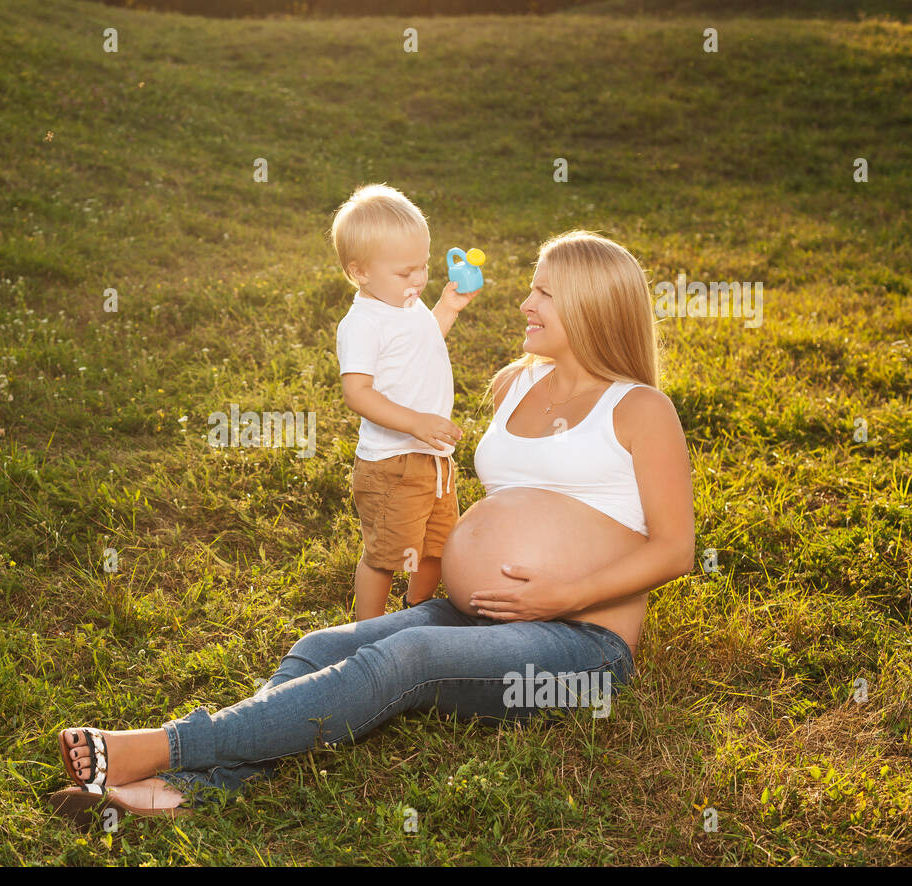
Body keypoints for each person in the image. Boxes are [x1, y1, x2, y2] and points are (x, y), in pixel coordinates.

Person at [49, 228, 695, 823]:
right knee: (321, 646)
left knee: (405, 659)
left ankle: (162, 750)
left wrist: (562, 595)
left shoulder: (641, 408)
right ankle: (200, 791)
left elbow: (676, 550)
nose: (526, 302)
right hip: (484, 615)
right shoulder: (513, 386)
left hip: (583, 647)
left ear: (590, 305)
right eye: (532, 286)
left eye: (544, 292)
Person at [331, 183, 480, 619]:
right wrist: (415, 422)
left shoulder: (408, 307)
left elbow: (422, 346)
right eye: (404, 272)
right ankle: (368, 630)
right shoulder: (362, 324)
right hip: (393, 463)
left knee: (437, 546)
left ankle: (416, 608)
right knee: (386, 555)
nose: (418, 280)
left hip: (433, 458)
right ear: (360, 272)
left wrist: (446, 309)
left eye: (424, 267)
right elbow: (356, 393)